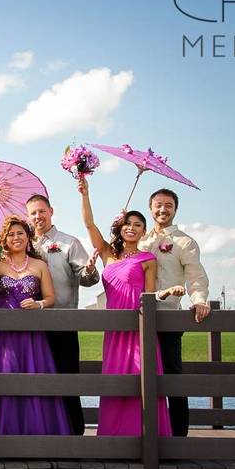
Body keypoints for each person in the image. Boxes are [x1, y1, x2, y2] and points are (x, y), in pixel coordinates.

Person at [77, 178, 178, 436]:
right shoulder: (107, 253)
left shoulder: (148, 259)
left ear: (144, 232)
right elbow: (89, 224)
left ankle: (145, 436)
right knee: (115, 380)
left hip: (139, 326)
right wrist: (85, 192)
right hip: (114, 329)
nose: (132, 228)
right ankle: (114, 437)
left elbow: (151, 295)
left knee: (141, 379)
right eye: (128, 224)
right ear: (120, 228)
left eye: (138, 225)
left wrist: (166, 292)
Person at [0, 215, 70, 435]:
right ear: (4, 239)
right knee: (3, 380)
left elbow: (51, 298)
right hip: (3, 337)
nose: (16, 237)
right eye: (11, 234)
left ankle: (33, 435)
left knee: (32, 383)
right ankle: (2, 434)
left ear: (28, 237)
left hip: (32, 337)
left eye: (20, 233)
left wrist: (39, 303)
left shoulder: (40, 265)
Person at [138, 188, 210, 437]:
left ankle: (179, 435)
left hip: (167, 315)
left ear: (175, 209)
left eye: (168, 205)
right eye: (158, 205)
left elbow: (195, 275)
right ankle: (145, 431)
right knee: (139, 376)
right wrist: (118, 227)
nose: (162, 210)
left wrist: (199, 299)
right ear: (150, 208)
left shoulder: (184, 242)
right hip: (139, 317)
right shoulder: (140, 239)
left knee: (172, 374)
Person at [26, 194, 100, 435]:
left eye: (41, 211)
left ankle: (74, 434)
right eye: (33, 213)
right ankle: (42, 432)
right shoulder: (24, 244)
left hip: (63, 323)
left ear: (51, 211)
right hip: (31, 327)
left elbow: (88, 279)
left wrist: (89, 270)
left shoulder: (69, 243)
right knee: (36, 382)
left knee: (67, 380)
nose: (38, 217)